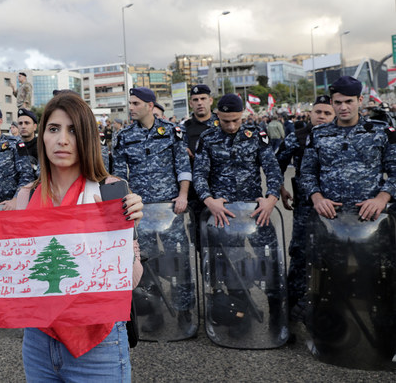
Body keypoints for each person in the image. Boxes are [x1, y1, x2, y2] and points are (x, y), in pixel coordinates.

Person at [0, 92, 144, 381]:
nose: (62, 140)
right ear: (42, 135)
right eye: (54, 129)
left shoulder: (112, 192)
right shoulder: (26, 196)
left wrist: (128, 234)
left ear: (87, 138)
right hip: (38, 342)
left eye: (73, 130)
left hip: (99, 343)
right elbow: (23, 276)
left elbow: (130, 280)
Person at [193, 94, 284, 337]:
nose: (231, 126)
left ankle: (278, 321)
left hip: (257, 213)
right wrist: (208, 200)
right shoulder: (208, 138)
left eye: (235, 120)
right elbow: (199, 174)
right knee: (229, 269)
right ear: (217, 117)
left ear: (243, 114)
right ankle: (238, 316)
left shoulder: (256, 135)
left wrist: (271, 198)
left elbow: (273, 169)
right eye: (225, 121)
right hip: (224, 215)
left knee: (271, 265)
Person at [112, 87, 194, 332]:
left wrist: (183, 195)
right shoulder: (124, 136)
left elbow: (183, 166)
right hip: (140, 213)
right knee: (144, 264)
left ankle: (184, 311)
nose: (131, 107)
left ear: (150, 105)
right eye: (130, 103)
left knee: (179, 261)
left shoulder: (171, 132)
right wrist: (124, 201)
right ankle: (153, 311)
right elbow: (117, 175)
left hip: (170, 210)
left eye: (136, 103)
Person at [300, 76, 396, 222]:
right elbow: (307, 173)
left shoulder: (381, 132)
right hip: (330, 219)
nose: (343, 108)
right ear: (331, 102)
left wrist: (381, 199)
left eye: (349, 101)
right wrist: (317, 198)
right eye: (338, 102)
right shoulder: (318, 134)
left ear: (360, 100)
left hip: (371, 219)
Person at [277, 95, 334, 319]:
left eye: (327, 113)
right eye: (318, 112)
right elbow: (276, 164)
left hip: (334, 210)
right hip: (305, 208)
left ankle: (328, 304)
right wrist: (280, 189)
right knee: (300, 253)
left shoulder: (339, 136)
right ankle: (290, 307)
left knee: (331, 255)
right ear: (310, 113)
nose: (321, 116)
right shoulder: (297, 137)